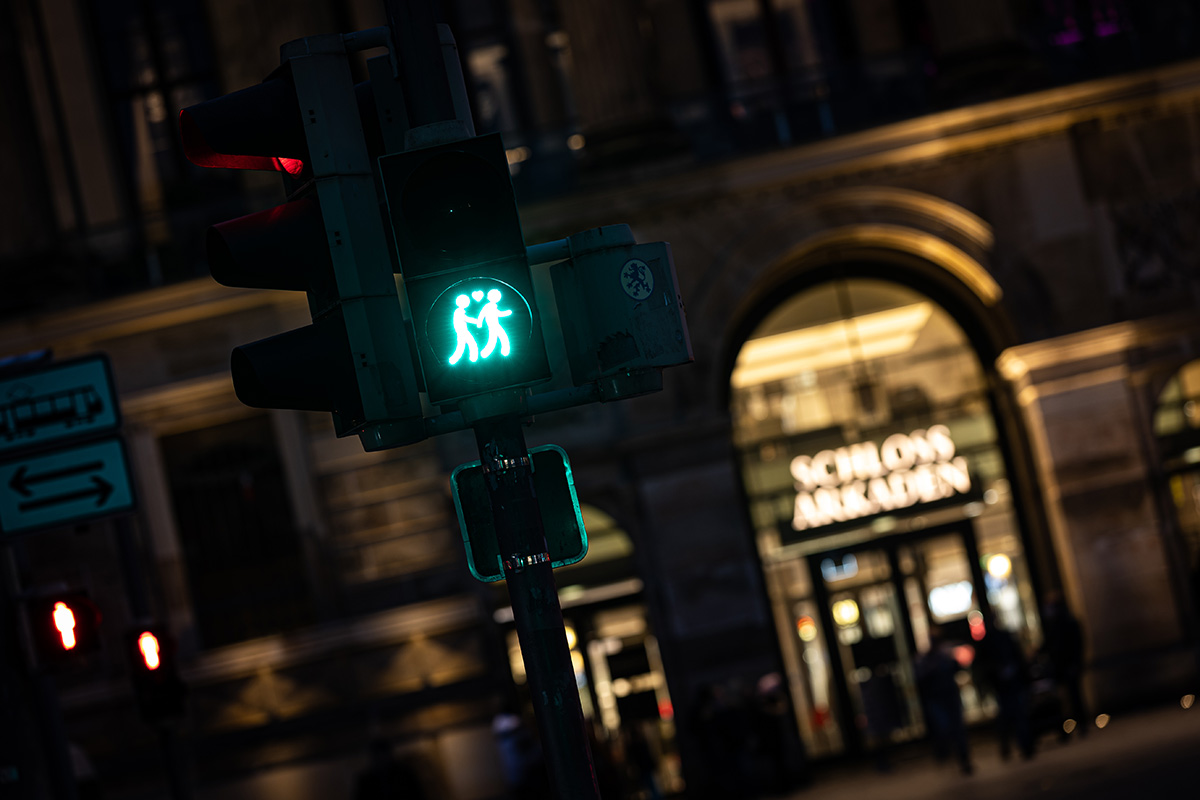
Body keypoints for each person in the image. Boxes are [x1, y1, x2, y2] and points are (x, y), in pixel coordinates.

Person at [915, 627, 973, 774]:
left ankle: (962, 758)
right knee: (950, 728)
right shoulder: (932, 658)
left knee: (953, 729)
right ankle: (958, 757)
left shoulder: (939, 657)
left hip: (945, 697)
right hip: (942, 698)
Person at [978, 623, 1035, 760]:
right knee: (1016, 714)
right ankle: (1023, 746)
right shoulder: (1001, 639)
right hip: (1008, 684)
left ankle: (1018, 746)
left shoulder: (990, 642)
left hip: (1007, 685)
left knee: (1011, 715)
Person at [1040, 590, 1088, 739]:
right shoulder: (1056, 624)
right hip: (1061, 666)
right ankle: (1071, 726)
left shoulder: (1065, 623)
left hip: (1066, 665)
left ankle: (1079, 724)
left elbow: (1076, 644)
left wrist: (1075, 663)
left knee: (1073, 696)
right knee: (1067, 697)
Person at [353, 738, 427, 800]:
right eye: (378, 756)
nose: (381, 760)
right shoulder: (366, 781)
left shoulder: (404, 774)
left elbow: (417, 793)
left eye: (382, 755)